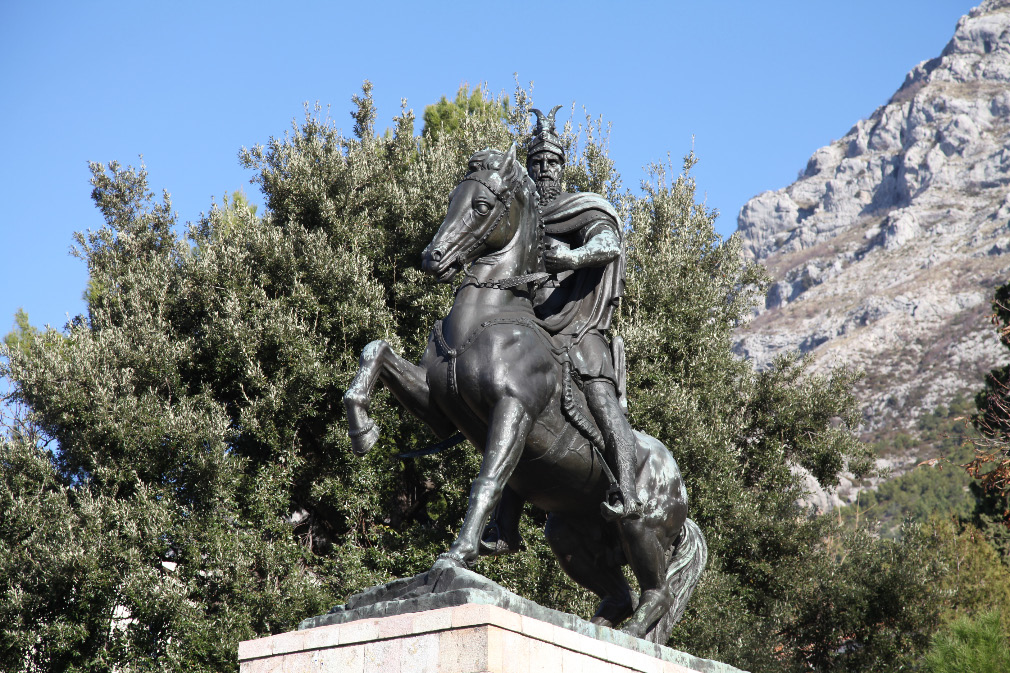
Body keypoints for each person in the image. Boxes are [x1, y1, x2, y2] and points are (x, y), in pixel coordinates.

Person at [481, 106, 642, 555]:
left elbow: (607, 243)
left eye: (551, 161)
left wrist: (570, 258)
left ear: (563, 166)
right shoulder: (520, 217)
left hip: (577, 326)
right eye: (536, 162)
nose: (544, 169)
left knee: (600, 397)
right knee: (512, 406)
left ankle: (627, 490)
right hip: (531, 325)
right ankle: (504, 524)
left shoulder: (580, 207)